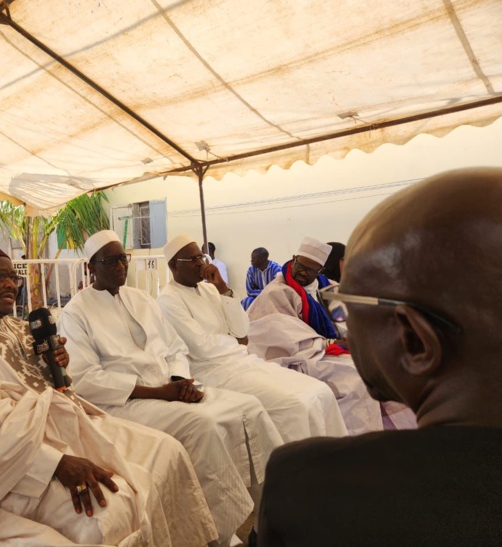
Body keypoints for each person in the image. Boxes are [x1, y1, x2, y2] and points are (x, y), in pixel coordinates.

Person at [0, 242, 216, 546]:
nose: (10, 284)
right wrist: (56, 462)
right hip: (8, 467)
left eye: (12, 277)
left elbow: (51, 388)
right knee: (108, 512)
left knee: (167, 451)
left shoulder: (20, 327)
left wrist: (57, 366)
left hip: (62, 425)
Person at [257, 168, 502, 546]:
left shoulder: (306, 484)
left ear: (415, 342)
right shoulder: (276, 292)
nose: (345, 321)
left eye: (348, 307)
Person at [60, 230, 282, 546]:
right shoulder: (75, 313)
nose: (121, 266)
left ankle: (269, 517)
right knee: (202, 426)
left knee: (249, 408)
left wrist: (179, 380)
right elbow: (86, 380)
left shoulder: (140, 298)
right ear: (90, 268)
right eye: (111, 261)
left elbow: (175, 348)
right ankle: (220, 534)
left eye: (123, 258)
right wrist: (159, 392)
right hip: (125, 403)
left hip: (169, 389)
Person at [159, 234, 347, 445]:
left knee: (320, 392)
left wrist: (223, 290)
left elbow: (242, 331)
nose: (201, 264)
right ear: (174, 265)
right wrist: (234, 342)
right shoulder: (169, 298)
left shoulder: (210, 289)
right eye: (193, 260)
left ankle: (334, 462)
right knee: (296, 404)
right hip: (213, 370)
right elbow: (202, 347)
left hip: (244, 361)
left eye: (201, 257)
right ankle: (299, 471)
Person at [246, 237, 390, 435]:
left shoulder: (329, 287)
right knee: (355, 377)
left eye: (310, 270)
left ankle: (381, 434)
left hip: (328, 350)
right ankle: (352, 439)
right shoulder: (278, 292)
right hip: (302, 356)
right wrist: (331, 343)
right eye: (300, 265)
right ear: (294, 258)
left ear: (320, 271)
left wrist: (353, 338)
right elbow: (281, 335)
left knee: (380, 365)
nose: (302, 273)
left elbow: (345, 320)